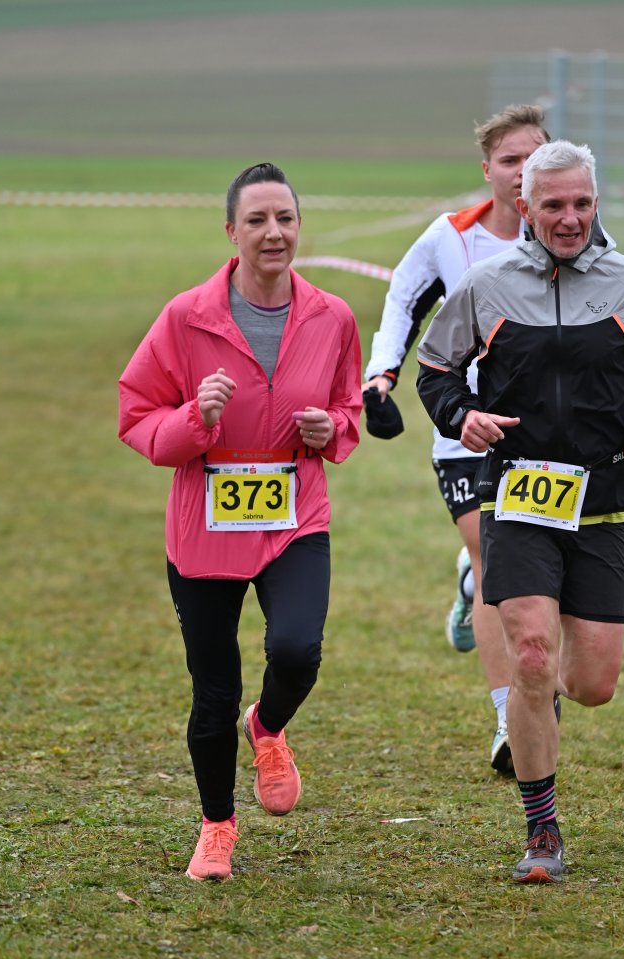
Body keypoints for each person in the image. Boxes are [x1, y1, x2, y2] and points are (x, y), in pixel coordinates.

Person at [417, 140, 624, 883]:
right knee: (531, 656)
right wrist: (461, 415)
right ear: (524, 207)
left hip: (601, 508)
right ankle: (542, 832)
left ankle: (537, 689)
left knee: (591, 684)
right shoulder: (486, 286)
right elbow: (435, 368)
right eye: (553, 205)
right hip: (517, 498)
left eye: (582, 203)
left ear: (596, 204)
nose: (569, 218)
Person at [118, 163, 362, 882]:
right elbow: (137, 418)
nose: (273, 232)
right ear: (232, 232)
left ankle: (268, 726)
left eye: (285, 218)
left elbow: (348, 408)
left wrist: (332, 429)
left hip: (294, 516)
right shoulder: (186, 317)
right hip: (204, 530)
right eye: (257, 220)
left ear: (299, 227)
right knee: (213, 690)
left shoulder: (333, 317)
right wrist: (196, 418)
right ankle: (217, 827)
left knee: (297, 651)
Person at [363, 105, 550, 774]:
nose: (522, 171)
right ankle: (508, 719)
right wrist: (380, 377)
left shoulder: (572, 231)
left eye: (534, 158)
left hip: (546, 432)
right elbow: (403, 301)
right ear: (487, 170)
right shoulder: (451, 237)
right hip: (463, 429)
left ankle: (471, 585)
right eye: (510, 160)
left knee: (537, 567)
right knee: (497, 559)